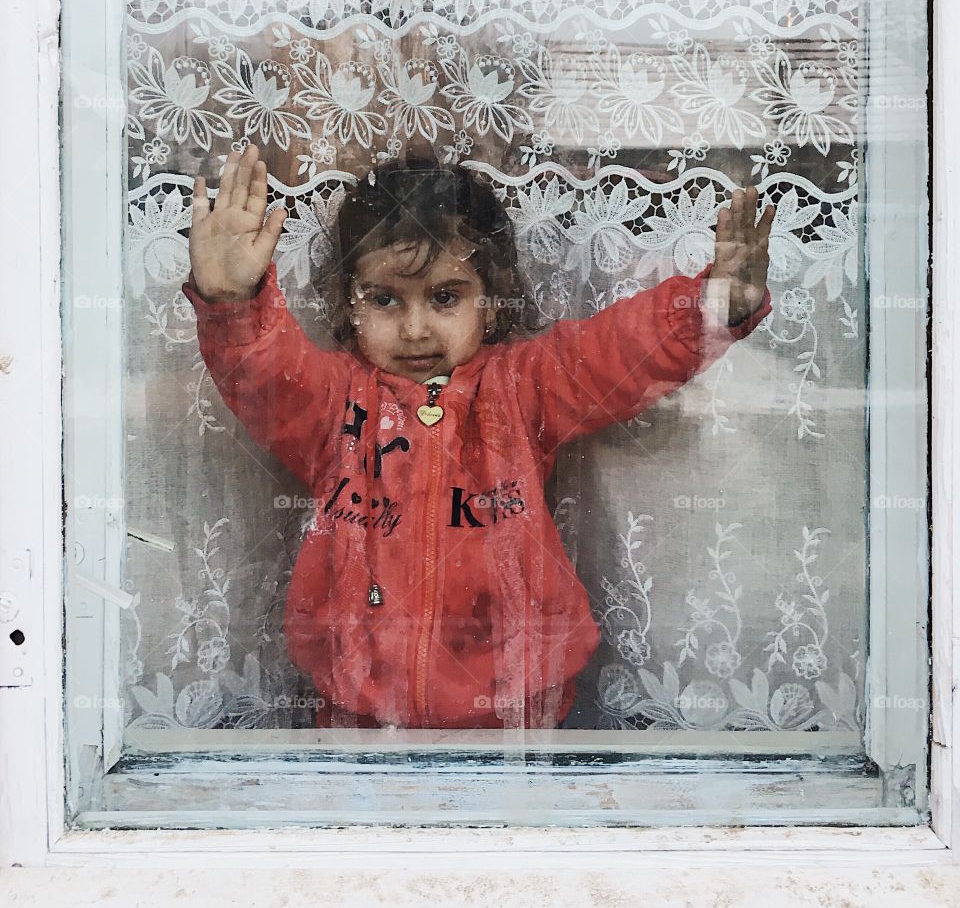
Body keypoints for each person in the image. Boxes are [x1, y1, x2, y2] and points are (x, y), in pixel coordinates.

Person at [181, 143, 775, 730]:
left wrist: (713, 306)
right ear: (348, 305)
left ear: (491, 303)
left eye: (445, 297)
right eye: (384, 299)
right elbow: (264, 374)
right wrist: (232, 301)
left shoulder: (522, 386)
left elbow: (618, 350)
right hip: (360, 720)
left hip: (516, 720)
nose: (415, 329)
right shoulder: (334, 403)